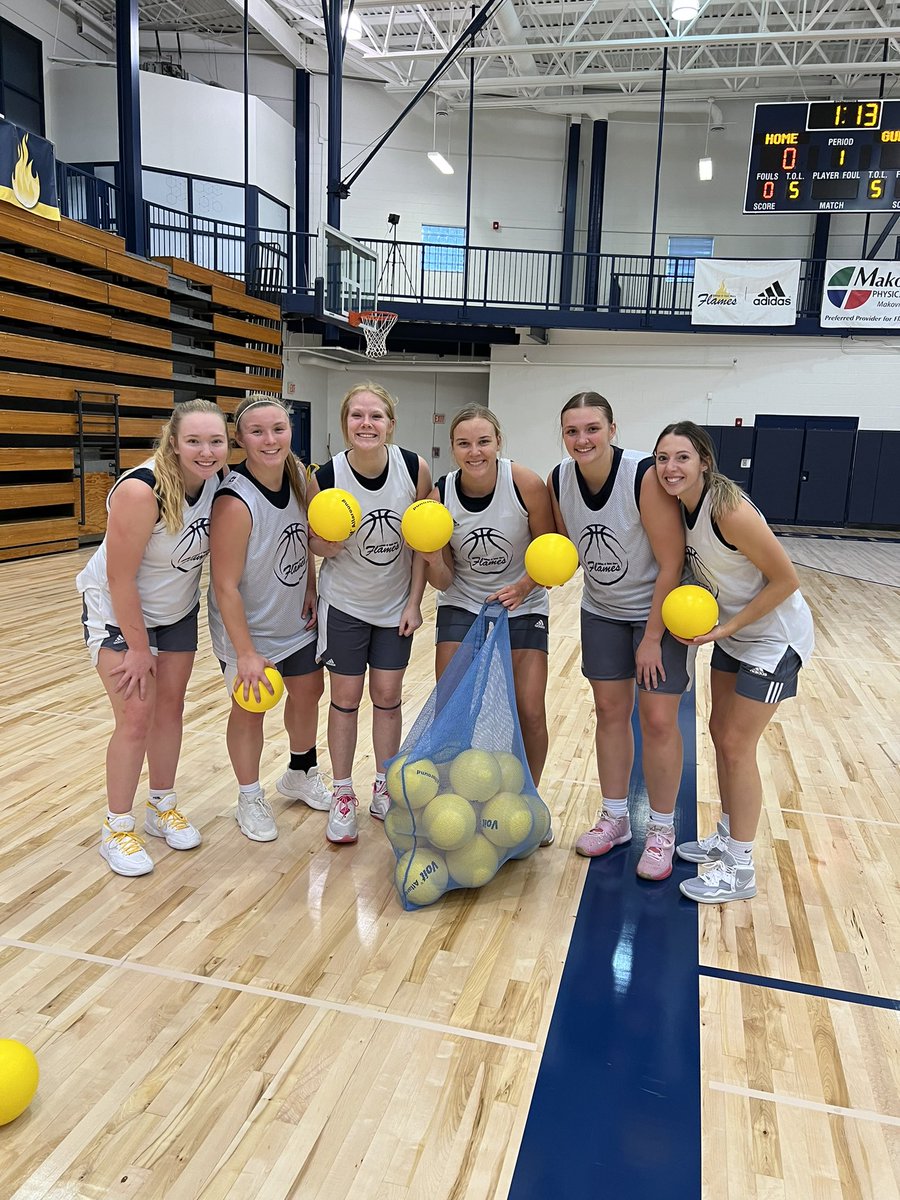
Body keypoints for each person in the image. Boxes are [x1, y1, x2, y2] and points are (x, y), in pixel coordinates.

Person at [654, 421, 814, 903]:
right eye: (662, 458)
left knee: (738, 745)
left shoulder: (730, 511)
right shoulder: (681, 508)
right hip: (736, 634)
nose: (670, 467)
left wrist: (724, 628)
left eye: (682, 457)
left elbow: (786, 580)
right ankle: (727, 835)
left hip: (773, 640)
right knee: (720, 735)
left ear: (705, 461)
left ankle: (741, 868)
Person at [76, 399, 229, 877]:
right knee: (136, 716)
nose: (206, 451)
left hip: (177, 612)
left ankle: (161, 805)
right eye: (195, 441)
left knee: (170, 708)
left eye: (216, 441)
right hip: (119, 615)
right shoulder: (141, 491)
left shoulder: (217, 483)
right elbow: (120, 579)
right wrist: (139, 649)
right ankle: (117, 827)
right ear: (174, 441)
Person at [549, 392, 688, 880]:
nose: (582, 439)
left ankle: (662, 829)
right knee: (609, 712)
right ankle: (615, 820)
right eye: (572, 431)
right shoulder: (559, 478)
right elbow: (565, 548)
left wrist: (652, 637)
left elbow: (672, 562)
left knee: (656, 720)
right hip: (601, 610)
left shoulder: (643, 475)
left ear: (612, 429)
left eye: (592, 428)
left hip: (656, 613)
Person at [308, 383, 432, 845]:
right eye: (357, 416)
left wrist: (415, 601)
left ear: (390, 424)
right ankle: (343, 793)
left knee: (387, 695)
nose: (366, 423)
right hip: (344, 604)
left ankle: (383, 783)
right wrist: (327, 544)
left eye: (376, 416)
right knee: (344, 698)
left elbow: (424, 539)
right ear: (345, 425)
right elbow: (311, 541)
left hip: (394, 605)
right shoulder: (326, 475)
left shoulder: (414, 468)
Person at [208, 394, 330, 843]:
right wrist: (245, 652)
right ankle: (248, 796)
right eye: (257, 431)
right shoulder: (234, 501)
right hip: (248, 629)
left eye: (278, 429)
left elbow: (305, 539)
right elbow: (225, 587)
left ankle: (300, 772)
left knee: (309, 692)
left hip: (293, 619)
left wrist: (312, 585)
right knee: (250, 709)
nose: (270, 439)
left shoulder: (301, 475)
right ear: (239, 438)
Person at [421, 404, 555, 797]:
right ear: (453, 449)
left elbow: (549, 553)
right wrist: (430, 557)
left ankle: (529, 799)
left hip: (522, 603)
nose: (474, 451)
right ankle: (452, 797)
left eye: (483, 441)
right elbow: (443, 579)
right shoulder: (440, 494)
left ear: (498, 442)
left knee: (529, 711)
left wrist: (524, 586)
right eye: (464, 444)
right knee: (451, 708)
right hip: (463, 603)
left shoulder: (525, 484)